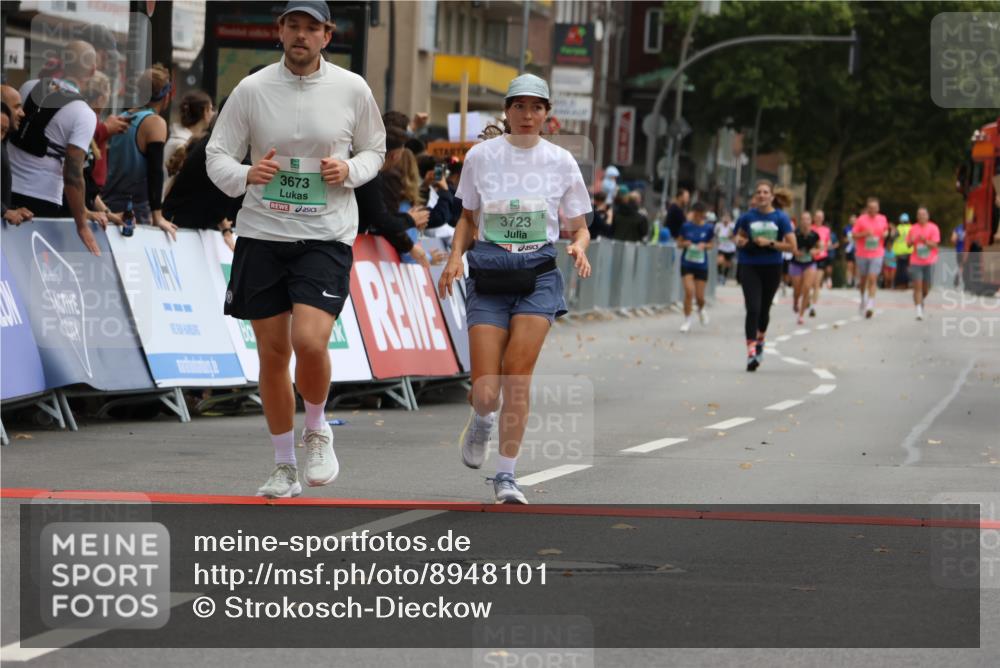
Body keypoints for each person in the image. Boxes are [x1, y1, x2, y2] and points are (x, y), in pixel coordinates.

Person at [206, 0, 386, 498]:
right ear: (279, 32)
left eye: (312, 28)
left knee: (310, 341)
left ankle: (317, 427)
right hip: (263, 232)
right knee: (272, 354)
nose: (302, 35)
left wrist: (349, 171)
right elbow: (216, 154)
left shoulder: (352, 89)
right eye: (293, 26)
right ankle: (284, 465)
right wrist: (246, 175)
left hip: (325, 234)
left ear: (327, 35)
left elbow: (376, 149)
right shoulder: (252, 88)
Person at [437, 73, 592, 504]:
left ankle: (506, 476)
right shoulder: (481, 157)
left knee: (517, 378)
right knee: (486, 389)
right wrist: (454, 258)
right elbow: (468, 218)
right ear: (506, 111)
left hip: (537, 275)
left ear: (548, 115)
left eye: (536, 107)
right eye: (519, 106)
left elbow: (579, 227)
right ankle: (482, 417)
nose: (528, 115)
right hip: (489, 274)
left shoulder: (561, 161)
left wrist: (579, 248)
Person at [8, 41, 108, 254]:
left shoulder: (28, 87)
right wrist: (82, 224)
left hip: (6, 192)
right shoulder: (83, 113)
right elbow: (72, 174)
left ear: (63, 61)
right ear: (92, 70)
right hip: (42, 201)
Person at [102, 64, 178, 240]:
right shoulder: (155, 122)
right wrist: (157, 215)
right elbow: (155, 171)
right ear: (166, 96)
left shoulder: (123, 117)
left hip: (109, 203)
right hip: (133, 209)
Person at [162, 98, 242, 251]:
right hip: (179, 231)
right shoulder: (217, 147)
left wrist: (224, 228)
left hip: (193, 230)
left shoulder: (218, 143)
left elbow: (214, 194)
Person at [734, 180, 796, 371]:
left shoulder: (781, 218)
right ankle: (751, 352)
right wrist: (741, 241)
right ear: (756, 196)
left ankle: (760, 339)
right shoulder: (747, 217)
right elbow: (739, 236)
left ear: (771, 196)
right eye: (759, 192)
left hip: (771, 267)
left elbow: (792, 247)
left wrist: (770, 243)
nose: (762, 195)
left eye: (765, 192)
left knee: (763, 310)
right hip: (750, 265)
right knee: (752, 308)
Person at [81, 71, 126, 222]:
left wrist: (108, 214)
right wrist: (105, 129)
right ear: (101, 98)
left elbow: (90, 190)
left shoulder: (92, 120)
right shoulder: (89, 120)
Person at [163, 90, 214, 197]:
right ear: (205, 111)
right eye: (211, 109)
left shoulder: (176, 137)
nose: (213, 113)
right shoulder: (183, 142)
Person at [678, 201, 714, 332]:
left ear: (704, 215)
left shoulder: (708, 228)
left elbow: (711, 244)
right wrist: (684, 243)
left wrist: (704, 246)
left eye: (700, 215)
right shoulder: (686, 227)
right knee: (688, 292)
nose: (697, 217)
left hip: (701, 265)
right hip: (687, 263)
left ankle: (701, 308)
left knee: (700, 297)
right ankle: (687, 320)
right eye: (695, 215)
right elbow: (679, 243)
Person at [852, 197, 889, 319]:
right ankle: (863, 299)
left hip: (877, 253)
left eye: (875, 208)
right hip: (862, 253)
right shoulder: (861, 220)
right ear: (867, 208)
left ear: (878, 208)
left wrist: (885, 234)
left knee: (872, 278)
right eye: (870, 208)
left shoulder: (882, 219)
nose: (873, 210)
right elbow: (854, 235)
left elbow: (886, 230)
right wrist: (864, 234)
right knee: (863, 280)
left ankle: (870, 305)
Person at [906, 207, 940, 321]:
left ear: (928, 216)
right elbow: (908, 244)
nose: (922, 217)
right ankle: (919, 310)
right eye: (919, 215)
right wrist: (912, 240)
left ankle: (920, 300)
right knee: (918, 286)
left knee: (926, 289)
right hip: (916, 261)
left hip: (930, 261)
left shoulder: (933, 228)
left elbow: (935, 245)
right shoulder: (913, 228)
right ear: (917, 217)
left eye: (924, 214)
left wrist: (925, 241)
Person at [791, 211, 820, 326]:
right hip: (796, 263)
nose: (805, 222)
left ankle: (801, 315)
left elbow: (820, 247)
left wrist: (815, 251)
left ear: (810, 221)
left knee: (807, 287)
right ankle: (795, 301)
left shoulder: (814, 235)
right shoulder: (794, 233)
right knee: (797, 290)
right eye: (803, 219)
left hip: (809, 263)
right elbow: (788, 246)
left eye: (807, 219)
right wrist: (795, 251)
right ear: (800, 221)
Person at [809, 209, 832, 316]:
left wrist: (825, 245)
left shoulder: (826, 230)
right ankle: (808, 300)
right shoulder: (810, 228)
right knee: (810, 283)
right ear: (814, 218)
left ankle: (813, 306)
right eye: (817, 216)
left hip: (822, 257)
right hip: (810, 257)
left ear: (823, 218)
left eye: (821, 217)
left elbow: (829, 242)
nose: (819, 218)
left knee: (817, 283)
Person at [892, 212, 913, 289]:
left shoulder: (899, 228)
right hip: (910, 250)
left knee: (901, 269)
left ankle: (901, 283)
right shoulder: (912, 227)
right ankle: (909, 283)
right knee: (909, 268)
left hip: (900, 251)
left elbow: (893, 237)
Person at [715, 213, 736, 284]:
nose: (726, 220)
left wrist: (731, 234)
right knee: (719, 261)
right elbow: (715, 234)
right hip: (721, 247)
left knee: (727, 263)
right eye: (724, 218)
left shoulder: (732, 226)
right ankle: (720, 275)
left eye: (727, 218)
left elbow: (734, 235)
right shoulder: (718, 225)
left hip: (730, 248)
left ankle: (724, 276)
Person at [951, 221, 966, 287]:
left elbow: (953, 239)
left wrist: (957, 246)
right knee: (964, 266)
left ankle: (958, 276)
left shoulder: (959, 227)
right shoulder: (973, 227)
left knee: (961, 266)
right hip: (967, 250)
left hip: (959, 250)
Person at [844, 214, 857, 287]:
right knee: (849, 266)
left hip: (857, 250)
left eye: (854, 220)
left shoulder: (859, 228)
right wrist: (849, 239)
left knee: (856, 266)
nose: (853, 221)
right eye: (851, 220)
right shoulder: (846, 228)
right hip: (849, 249)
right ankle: (848, 282)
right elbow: (844, 239)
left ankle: (855, 282)